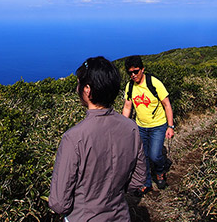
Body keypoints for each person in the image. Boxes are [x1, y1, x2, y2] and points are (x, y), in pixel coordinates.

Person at [49, 56, 147, 221]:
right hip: (120, 215)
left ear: (87, 90)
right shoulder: (131, 128)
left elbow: (59, 202)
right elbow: (138, 179)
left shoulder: (74, 138)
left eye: (79, 84)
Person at [122, 55, 174, 195]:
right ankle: (146, 183)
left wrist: (170, 126)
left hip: (158, 125)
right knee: (142, 156)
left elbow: (167, 105)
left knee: (154, 155)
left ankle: (160, 171)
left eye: (136, 71)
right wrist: (122, 126)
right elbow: (127, 107)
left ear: (142, 69)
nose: (133, 75)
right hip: (141, 126)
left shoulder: (154, 83)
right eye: (130, 73)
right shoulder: (130, 86)